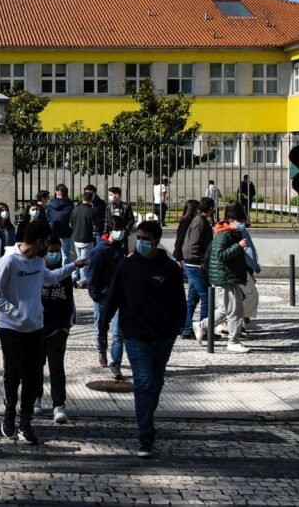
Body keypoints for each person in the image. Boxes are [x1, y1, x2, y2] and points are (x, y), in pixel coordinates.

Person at [0, 220, 84, 444]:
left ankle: (26, 422)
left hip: (35, 328)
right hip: (11, 328)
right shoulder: (9, 261)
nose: (48, 250)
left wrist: (73, 266)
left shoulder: (39, 261)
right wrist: (14, 312)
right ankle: (9, 412)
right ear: (39, 242)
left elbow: (49, 278)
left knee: (33, 376)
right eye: (46, 244)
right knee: (13, 374)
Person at [98, 220, 186, 459]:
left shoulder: (169, 269)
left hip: (162, 337)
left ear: (157, 241)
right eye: (139, 237)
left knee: (156, 384)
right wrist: (103, 326)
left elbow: (179, 302)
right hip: (135, 336)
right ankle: (145, 434)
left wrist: (174, 330)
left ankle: (148, 419)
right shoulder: (126, 266)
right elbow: (113, 297)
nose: (141, 242)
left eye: (146, 238)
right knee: (144, 383)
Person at [193, 203, 251, 353]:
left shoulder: (231, 233)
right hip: (224, 278)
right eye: (240, 221)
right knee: (235, 311)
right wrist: (238, 246)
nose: (242, 224)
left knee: (226, 310)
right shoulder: (225, 234)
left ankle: (202, 326)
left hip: (228, 277)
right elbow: (220, 255)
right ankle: (233, 341)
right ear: (231, 221)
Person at [39, 237, 74, 425]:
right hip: (37, 327)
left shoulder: (64, 274)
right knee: (36, 367)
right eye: (50, 251)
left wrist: (66, 327)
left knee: (57, 369)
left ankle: (58, 404)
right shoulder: (37, 271)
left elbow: (70, 302)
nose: (54, 254)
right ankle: (36, 397)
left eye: (57, 251)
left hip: (57, 329)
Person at [87, 216, 128, 377]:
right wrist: (95, 295)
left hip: (119, 296)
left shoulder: (121, 247)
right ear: (110, 231)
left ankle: (116, 362)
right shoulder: (100, 250)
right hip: (103, 296)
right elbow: (92, 274)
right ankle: (101, 350)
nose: (120, 233)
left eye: (122, 230)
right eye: (117, 230)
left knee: (118, 331)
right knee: (101, 327)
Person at [180, 198, 215, 339]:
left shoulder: (199, 220)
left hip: (193, 263)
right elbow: (194, 244)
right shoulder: (200, 222)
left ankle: (187, 329)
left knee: (193, 298)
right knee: (206, 296)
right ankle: (204, 328)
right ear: (210, 208)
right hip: (195, 264)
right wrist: (201, 259)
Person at [70, 191, 96, 288]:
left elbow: (70, 224)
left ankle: (74, 276)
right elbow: (95, 226)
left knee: (79, 258)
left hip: (76, 238)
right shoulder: (91, 211)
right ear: (90, 200)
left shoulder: (75, 210)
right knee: (84, 261)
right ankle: (83, 280)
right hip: (87, 239)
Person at [48, 185, 74, 268]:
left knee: (53, 254)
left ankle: (53, 272)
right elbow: (72, 218)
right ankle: (64, 275)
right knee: (65, 255)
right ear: (66, 193)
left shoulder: (50, 204)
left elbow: (48, 216)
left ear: (56, 192)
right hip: (66, 231)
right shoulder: (69, 204)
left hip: (54, 231)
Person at [172, 200, 200, 265]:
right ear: (193, 210)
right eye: (198, 210)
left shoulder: (191, 222)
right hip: (181, 259)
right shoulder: (185, 223)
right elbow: (179, 241)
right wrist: (178, 259)